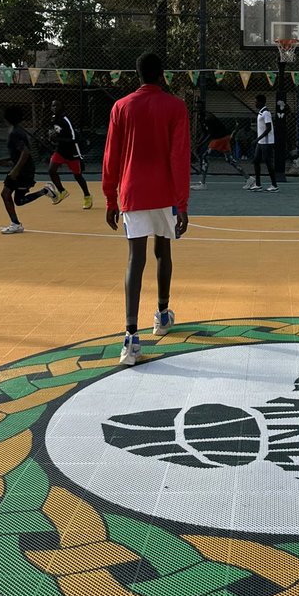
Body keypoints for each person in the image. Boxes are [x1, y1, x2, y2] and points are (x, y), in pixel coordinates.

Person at [102, 52, 190, 367]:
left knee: (134, 259)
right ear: (162, 74)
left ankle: (130, 338)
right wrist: (182, 202)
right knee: (163, 251)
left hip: (132, 192)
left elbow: (111, 154)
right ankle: (162, 315)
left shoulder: (121, 107)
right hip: (164, 193)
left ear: (137, 74)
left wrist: (110, 198)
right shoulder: (176, 107)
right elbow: (179, 156)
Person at [0, 106, 55, 234]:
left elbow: (25, 153)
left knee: (7, 195)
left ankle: (16, 224)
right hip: (22, 169)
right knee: (16, 199)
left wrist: (15, 171)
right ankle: (45, 191)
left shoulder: (15, 133)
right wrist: (8, 159)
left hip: (23, 172)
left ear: (8, 118)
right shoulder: (16, 130)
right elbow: (19, 153)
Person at [48, 99, 92, 208]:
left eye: (57, 106)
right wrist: (51, 138)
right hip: (60, 150)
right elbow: (55, 134)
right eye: (53, 106)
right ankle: (62, 191)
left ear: (62, 108)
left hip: (72, 151)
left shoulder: (66, 120)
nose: (54, 108)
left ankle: (87, 196)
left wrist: (57, 138)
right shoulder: (53, 119)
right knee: (51, 170)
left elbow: (74, 138)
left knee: (77, 176)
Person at [192, 110, 247, 190]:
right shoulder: (205, 119)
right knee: (229, 160)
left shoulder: (208, 119)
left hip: (218, 139)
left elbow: (209, 134)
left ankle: (203, 184)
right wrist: (199, 143)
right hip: (224, 137)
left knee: (204, 156)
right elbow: (205, 133)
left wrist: (200, 144)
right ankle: (248, 178)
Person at [246, 93, 278, 191]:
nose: (255, 103)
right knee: (256, 161)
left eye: (256, 102)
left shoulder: (266, 112)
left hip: (267, 142)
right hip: (261, 142)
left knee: (268, 162)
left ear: (261, 102)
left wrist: (257, 139)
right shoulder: (261, 112)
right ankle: (258, 184)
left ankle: (274, 186)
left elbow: (268, 128)